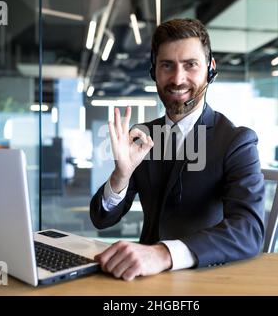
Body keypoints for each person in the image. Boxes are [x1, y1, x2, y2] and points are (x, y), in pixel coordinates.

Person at [90, 18, 265, 281]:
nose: (177, 78)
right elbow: (102, 219)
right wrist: (120, 176)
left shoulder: (236, 141)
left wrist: (163, 254)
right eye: (167, 66)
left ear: (210, 69)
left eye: (190, 65)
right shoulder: (144, 137)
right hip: (143, 280)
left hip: (206, 279)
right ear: (154, 72)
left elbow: (248, 230)